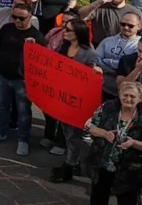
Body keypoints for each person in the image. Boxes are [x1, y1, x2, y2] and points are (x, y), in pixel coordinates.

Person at [0, 0, 45, 155]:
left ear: (30, 17)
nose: (17, 21)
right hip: (2, 76)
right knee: (2, 107)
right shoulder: (6, 29)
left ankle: (23, 140)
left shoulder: (37, 36)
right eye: (15, 17)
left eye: (21, 18)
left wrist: (33, 48)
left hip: (23, 81)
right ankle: (0, 132)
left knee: (23, 111)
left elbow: (43, 62)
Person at [48, 18, 101, 183]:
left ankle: (70, 166)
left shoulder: (89, 53)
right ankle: (74, 161)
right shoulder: (64, 47)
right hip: (63, 98)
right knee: (65, 131)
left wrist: (96, 72)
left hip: (78, 102)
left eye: (68, 29)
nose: (64, 31)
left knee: (74, 135)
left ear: (78, 33)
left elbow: (91, 78)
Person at [84, 80, 142, 205]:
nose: (128, 99)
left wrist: (134, 143)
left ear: (139, 99)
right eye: (125, 95)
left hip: (129, 170)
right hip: (103, 163)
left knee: (127, 201)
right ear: (120, 95)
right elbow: (88, 126)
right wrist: (104, 133)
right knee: (98, 199)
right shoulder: (108, 107)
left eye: (132, 96)